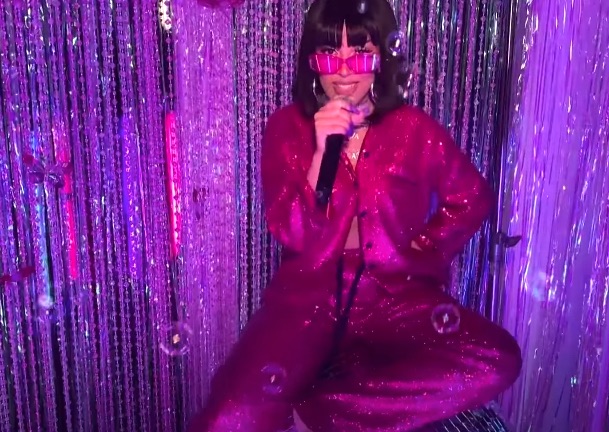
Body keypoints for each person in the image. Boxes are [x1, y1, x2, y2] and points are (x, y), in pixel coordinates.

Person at [188, 0, 521, 430]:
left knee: (496, 360)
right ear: (313, 62)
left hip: (396, 297)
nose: (344, 72)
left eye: (360, 54)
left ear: (381, 58)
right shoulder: (286, 128)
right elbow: (291, 231)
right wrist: (321, 152)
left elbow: (472, 197)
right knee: (226, 418)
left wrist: (425, 247)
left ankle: (323, 410)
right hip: (306, 298)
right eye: (330, 55)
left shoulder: (413, 128)